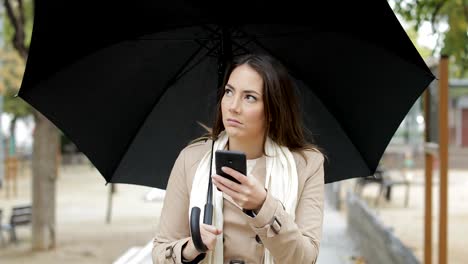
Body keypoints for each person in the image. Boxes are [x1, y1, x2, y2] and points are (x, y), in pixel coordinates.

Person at [152, 53, 325, 264]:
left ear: (272, 110)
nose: (233, 106)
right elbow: (161, 252)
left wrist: (263, 206)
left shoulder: (306, 165)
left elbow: (306, 259)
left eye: (249, 97)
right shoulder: (192, 160)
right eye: (229, 91)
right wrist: (192, 247)